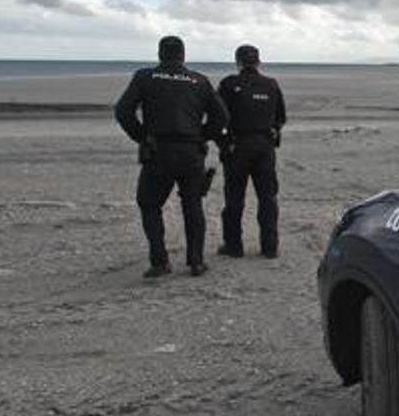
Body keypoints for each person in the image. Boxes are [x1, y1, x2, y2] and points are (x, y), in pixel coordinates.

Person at [115, 36, 228, 278]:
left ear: (159, 54)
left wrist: (142, 136)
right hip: (190, 152)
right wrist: (202, 136)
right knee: (192, 205)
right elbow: (221, 117)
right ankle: (196, 261)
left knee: (149, 204)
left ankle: (159, 261)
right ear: (183, 55)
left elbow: (123, 111)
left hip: (159, 151)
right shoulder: (198, 80)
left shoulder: (145, 77)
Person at [216, 44, 286, 259]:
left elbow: (218, 115)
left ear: (238, 62)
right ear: (258, 62)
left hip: (239, 146)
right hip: (264, 145)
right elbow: (281, 117)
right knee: (267, 198)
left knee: (235, 198)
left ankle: (234, 246)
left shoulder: (229, 84)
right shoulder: (270, 84)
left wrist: (223, 142)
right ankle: (269, 247)